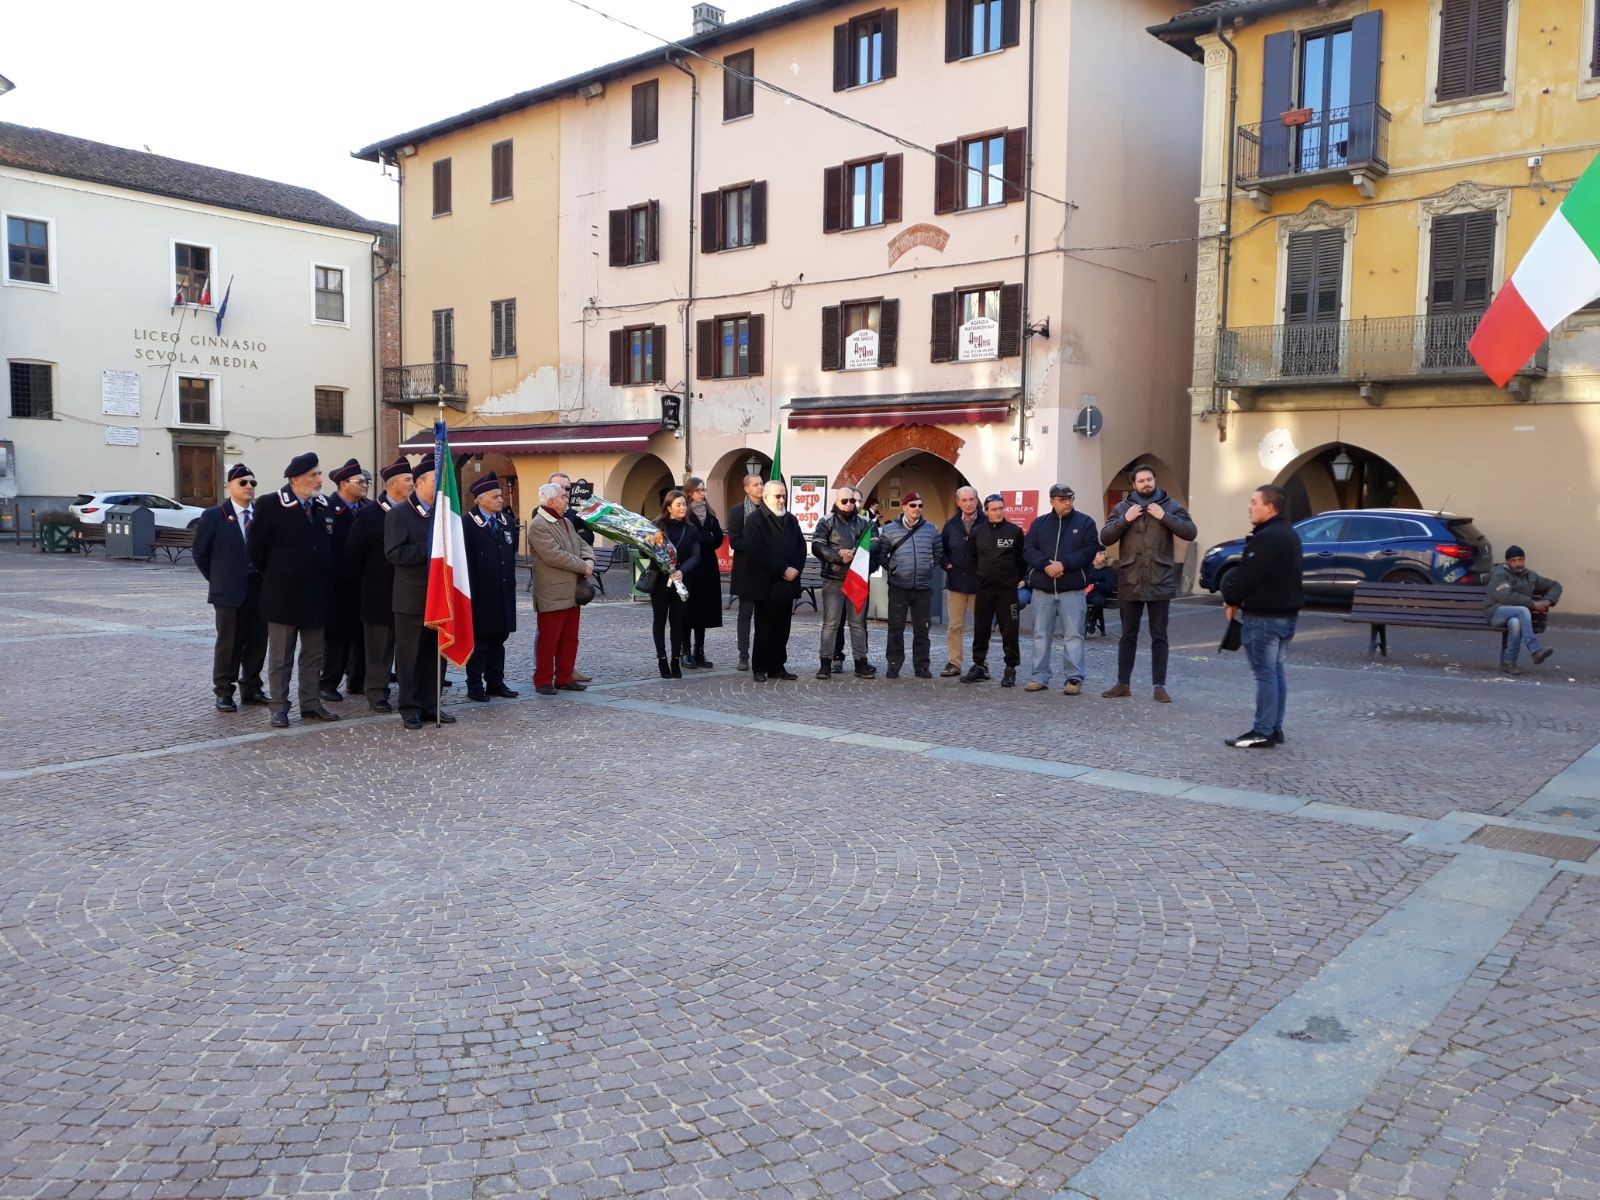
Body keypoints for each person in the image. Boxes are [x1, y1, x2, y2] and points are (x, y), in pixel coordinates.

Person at [248, 452, 340, 729]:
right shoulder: (270, 504)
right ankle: (279, 708)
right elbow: (256, 550)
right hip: (282, 595)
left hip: (316, 594)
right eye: (314, 475)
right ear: (296, 479)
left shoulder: (323, 506)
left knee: (313, 654)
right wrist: (279, 574)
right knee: (281, 657)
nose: (319, 479)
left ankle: (311, 704)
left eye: (319, 474)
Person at [1099, 464, 1197, 702]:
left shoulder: (1170, 506)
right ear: (1133, 485)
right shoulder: (1123, 508)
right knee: (1127, 635)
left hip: (1159, 579)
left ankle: (1159, 686)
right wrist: (1125, 519)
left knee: (1159, 636)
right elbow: (1105, 536)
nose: (1146, 484)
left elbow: (1190, 531)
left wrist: (1164, 516)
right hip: (1130, 579)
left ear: (1155, 481)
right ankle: (1123, 684)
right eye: (1141, 480)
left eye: (1149, 479)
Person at [1220, 485, 1304, 749]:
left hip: (1265, 616)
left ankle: (1263, 730)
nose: (1249, 506)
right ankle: (1274, 727)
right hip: (1285, 614)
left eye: (1254, 501)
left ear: (1269, 507)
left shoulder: (1268, 537)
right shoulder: (1289, 534)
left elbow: (1248, 575)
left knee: (1266, 674)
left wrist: (1231, 598)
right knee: (1276, 671)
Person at [384, 455, 456, 729]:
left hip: (441, 597)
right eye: (437, 480)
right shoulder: (399, 514)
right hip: (412, 599)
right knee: (410, 655)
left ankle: (431, 704)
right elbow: (394, 552)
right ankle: (409, 707)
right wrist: (431, 550)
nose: (441, 486)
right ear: (421, 482)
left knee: (435, 656)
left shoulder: (443, 514)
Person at [193, 462, 268, 712]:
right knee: (229, 643)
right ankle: (224, 691)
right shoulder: (215, 515)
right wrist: (219, 580)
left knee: (258, 641)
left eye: (253, 483)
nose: (249, 487)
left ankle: (252, 687)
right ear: (229, 486)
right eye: (243, 482)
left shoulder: (261, 515)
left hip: (259, 588)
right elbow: (201, 554)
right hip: (228, 592)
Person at [1022, 484, 1101, 696]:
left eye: (1070, 498)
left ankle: (1074, 677)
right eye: (1062, 499)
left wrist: (1064, 564)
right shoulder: (1039, 524)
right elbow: (1028, 549)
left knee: (1074, 634)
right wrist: (1046, 565)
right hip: (1043, 588)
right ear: (1052, 501)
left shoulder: (1085, 523)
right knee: (1040, 634)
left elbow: (1089, 550)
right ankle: (1039, 676)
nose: (1068, 502)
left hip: (1072, 589)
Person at [347, 458, 411, 712]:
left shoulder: (413, 511)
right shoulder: (369, 514)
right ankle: (377, 693)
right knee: (378, 650)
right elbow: (354, 556)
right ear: (393, 484)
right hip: (377, 593)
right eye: (408, 479)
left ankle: (408, 691)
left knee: (406, 647)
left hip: (407, 593)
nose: (412, 484)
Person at [528, 480, 596, 695]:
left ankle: (564, 677)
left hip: (571, 591)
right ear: (551, 501)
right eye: (563, 497)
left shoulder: (565, 521)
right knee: (549, 639)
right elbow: (554, 555)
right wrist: (582, 565)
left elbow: (582, 543)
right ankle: (543, 680)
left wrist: (590, 560)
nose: (567, 500)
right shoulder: (539, 525)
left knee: (569, 638)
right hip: (552, 592)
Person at [463, 473, 520, 702]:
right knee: (480, 643)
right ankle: (474, 684)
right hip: (480, 594)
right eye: (496, 496)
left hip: (503, 592)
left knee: (499, 639)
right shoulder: (468, 523)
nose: (501, 500)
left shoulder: (506, 522)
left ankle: (496, 681)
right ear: (480, 499)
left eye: (501, 496)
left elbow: (509, 554)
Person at [742, 480, 806, 681]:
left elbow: (801, 547)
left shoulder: (791, 520)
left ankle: (777, 666)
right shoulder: (754, 520)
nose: (782, 499)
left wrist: (795, 568)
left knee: (783, 628)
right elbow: (757, 551)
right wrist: (783, 569)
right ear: (766, 497)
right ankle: (760, 667)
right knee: (764, 628)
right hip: (765, 584)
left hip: (787, 584)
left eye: (784, 496)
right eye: (778, 496)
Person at [811, 486, 877, 680]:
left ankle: (861, 663)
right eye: (845, 501)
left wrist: (856, 552)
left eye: (852, 501)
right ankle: (825, 663)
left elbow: (875, 542)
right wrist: (838, 555)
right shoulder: (826, 521)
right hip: (834, 578)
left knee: (857, 624)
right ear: (837, 502)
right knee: (830, 624)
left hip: (857, 578)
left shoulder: (865, 521)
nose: (849, 504)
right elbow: (817, 545)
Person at [318, 458, 369, 702]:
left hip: (363, 581)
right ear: (343, 484)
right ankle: (328, 682)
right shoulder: (327, 509)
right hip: (336, 583)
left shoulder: (366, 509)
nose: (365, 485)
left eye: (365, 482)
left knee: (362, 635)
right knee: (336, 637)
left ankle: (357, 680)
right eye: (360, 482)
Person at [964, 494, 1028, 687]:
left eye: (1001, 508)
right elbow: (970, 558)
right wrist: (981, 576)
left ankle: (1010, 669)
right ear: (986, 512)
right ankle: (979, 666)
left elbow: (1022, 560)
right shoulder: (977, 532)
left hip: (1007, 592)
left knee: (1010, 631)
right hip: (984, 591)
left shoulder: (1014, 532)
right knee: (981, 630)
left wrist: (1015, 579)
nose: (998, 512)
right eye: (994, 509)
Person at [877, 492, 939, 678]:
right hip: (898, 586)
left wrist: (926, 567)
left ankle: (921, 666)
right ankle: (894, 664)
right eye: (913, 505)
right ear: (904, 508)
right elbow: (882, 555)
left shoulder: (931, 529)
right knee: (896, 628)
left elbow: (938, 554)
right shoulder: (890, 530)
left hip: (922, 588)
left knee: (922, 629)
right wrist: (894, 569)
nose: (917, 509)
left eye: (920, 505)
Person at [650, 489, 702, 678]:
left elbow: (696, 555)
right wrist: (649, 543)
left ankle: (675, 658)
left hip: (681, 581)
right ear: (669, 507)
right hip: (660, 581)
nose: (682, 508)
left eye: (684, 504)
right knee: (660, 619)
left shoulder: (691, 529)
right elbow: (645, 553)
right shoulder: (657, 526)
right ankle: (662, 659)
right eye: (678, 504)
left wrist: (682, 571)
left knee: (678, 621)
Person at [1485, 545, 1560, 675]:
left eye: (1521, 559)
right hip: (1496, 613)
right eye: (1514, 560)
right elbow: (1505, 597)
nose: (1518, 563)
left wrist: (1548, 601)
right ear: (1507, 561)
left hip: (1515, 615)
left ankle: (1509, 663)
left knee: (1515, 622)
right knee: (1523, 610)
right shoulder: (1499, 574)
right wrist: (1533, 604)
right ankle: (1535, 650)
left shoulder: (1530, 576)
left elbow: (1555, 585)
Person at [938, 486, 982, 678]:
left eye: (971, 499)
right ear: (958, 502)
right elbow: (941, 549)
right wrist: (947, 564)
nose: (968, 503)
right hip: (956, 583)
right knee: (955, 626)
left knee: (981, 625)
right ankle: (955, 662)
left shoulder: (987, 522)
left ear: (977, 500)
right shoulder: (951, 525)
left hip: (980, 583)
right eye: (964, 500)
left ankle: (981, 663)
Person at [682, 476, 724, 669]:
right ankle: (685, 652)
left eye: (704, 490)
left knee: (704, 611)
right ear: (690, 492)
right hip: (691, 567)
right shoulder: (685, 514)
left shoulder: (710, 513)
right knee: (688, 610)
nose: (702, 493)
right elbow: (692, 539)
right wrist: (706, 537)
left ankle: (700, 650)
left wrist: (704, 538)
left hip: (708, 567)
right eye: (699, 490)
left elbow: (717, 539)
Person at [726, 472, 766, 671]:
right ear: (746, 488)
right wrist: (757, 547)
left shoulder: (770, 508)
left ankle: (763, 654)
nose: (760, 487)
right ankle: (743, 654)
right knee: (745, 614)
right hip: (746, 570)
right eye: (756, 484)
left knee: (765, 615)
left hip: (767, 570)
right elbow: (735, 540)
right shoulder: (738, 511)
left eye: (761, 484)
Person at [549, 472, 596, 545]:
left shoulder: (577, 515)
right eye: (558, 487)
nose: (564, 492)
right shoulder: (540, 512)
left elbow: (589, 539)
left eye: (567, 488)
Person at [1084, 550, 1117, 638]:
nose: (1103, 556)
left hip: (1099, 596)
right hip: (1085, 595)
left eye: (1104, 554)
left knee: (1099, 601)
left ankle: (1092, 621)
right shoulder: (1088, 568)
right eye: (1100, 554)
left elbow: (1111, 587)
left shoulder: (1108, 571)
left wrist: (1096, 584)